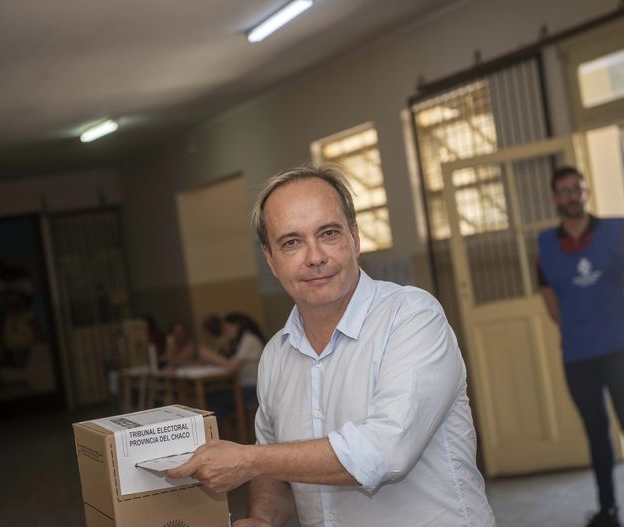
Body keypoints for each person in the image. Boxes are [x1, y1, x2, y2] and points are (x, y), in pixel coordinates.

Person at [167, 164, 494, 527]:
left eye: (328, 233)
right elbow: (276, 473)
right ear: (271, 260)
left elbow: (384, 452)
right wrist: (262, 517)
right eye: (292, 242)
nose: (315, 256)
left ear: (355, 238)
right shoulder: (276, 355)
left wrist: (249, 460)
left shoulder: (412, 317)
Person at [537, 166, 624, 527]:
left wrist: (620, 328)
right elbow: (550, 303)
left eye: (577, 188)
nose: (571, 196)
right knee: (595, 431)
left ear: (586, 193)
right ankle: (608, 511)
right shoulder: (545, 246)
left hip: (618, 350)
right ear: (555, 198)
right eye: (563, 190)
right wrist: (582, 328)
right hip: (577, 355)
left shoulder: (616, 235)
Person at [199, 312, 265, 407]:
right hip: (242, 386)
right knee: (211, 396)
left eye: (226, 328)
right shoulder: (238, 341)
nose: (225, 331)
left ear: (236, 327)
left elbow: (232, 367)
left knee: (212, 400)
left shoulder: (249, 339)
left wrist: (211, 356)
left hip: (253, 389)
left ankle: (219, 422)